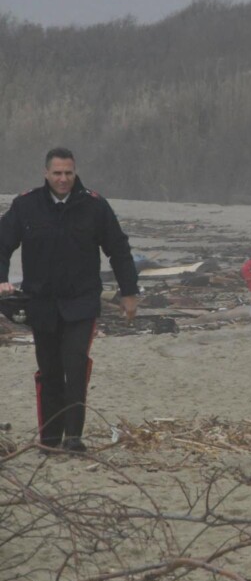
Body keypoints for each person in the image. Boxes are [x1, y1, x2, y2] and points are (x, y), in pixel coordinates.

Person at [0, 148, 139, 452]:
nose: (63, 179)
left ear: (75, 173)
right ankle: (50, 439)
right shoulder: (26, 205)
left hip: (81, 302)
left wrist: (129, 292)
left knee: (75, 365)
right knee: (49, 371)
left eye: (68, 173)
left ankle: (73, 437)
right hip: (41, 302)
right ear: (45, 173)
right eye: (57, 173)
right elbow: (2, 243)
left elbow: (118, 248)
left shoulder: (94, 205)